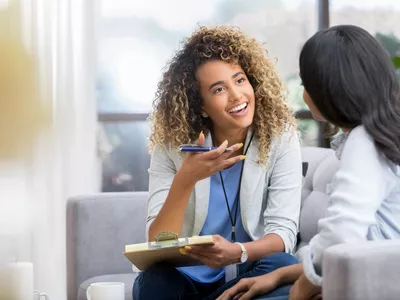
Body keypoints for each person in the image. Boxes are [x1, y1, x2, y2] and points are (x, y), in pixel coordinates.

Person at [218, 24, 400, 300]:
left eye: (306, 84)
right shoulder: (380, 136)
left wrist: (302, 288)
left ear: (329, 89)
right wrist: (279, 276)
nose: (304, 94)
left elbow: (341, 236)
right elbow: (367, 242)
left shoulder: (365, 143)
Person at [132, 26, 303, 300]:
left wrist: (239, 252)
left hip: (248, 275)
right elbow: (157, 244)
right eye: (219, 89)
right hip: (187, 279)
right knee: (153, 281)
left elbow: (283, 235)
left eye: (240, 80)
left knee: (284, 265)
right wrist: (186, 179)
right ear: (200, 106)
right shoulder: (172, 147)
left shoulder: (281, 139)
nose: (236, 96)